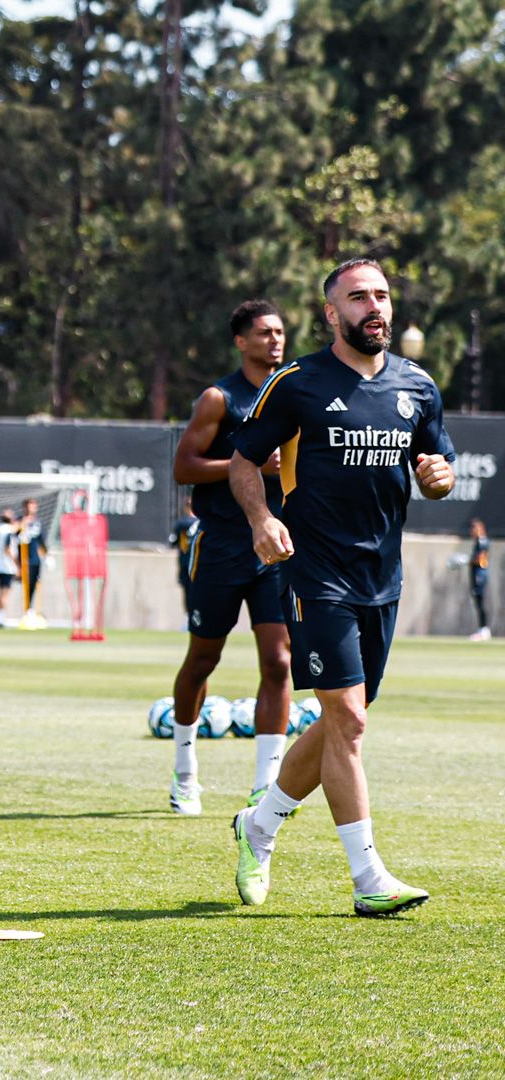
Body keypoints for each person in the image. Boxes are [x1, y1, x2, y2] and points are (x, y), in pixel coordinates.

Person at [230, 257, 455, 917]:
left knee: (340, 724)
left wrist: (440, 478)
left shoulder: (417, 385)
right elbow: (244, 460)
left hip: (382, 578)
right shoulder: (297, 382)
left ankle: (259, 825)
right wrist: (261, 517)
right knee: (348, 721)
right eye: (358, 297)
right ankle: (368, 878)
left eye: (381, 295)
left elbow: (436, 466)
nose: (373, 307)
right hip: (315, 572)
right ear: (332, 313)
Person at [165, 299, 294, 816]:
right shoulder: (220, 398)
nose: (275, 340)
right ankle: (184, 772)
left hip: (276, 545)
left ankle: (266, 786)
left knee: (280, 661)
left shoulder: (295, 393)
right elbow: (184, 468)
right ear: (241, 341)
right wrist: (248, 465)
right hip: (220, 544)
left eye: (280, 332)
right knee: (203, 660)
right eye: (264, 333)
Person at [17, 498, 48, 628]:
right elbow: (13, 534)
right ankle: (26, 610)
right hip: (24, 559)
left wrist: (47, 556)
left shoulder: (38, 523)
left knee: (35, 584)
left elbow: (42, 541)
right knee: (26, 584)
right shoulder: (20, 521)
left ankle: (32, 610)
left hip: (36, 559)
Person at [169, 498, 199, 620]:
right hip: (201, 563)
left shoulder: (181, 524)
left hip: (186, 563)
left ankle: (190, 617)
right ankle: (196, 617)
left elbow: (172, 542)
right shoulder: (204, 523)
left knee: (188, 593)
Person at [0, 509, 18, 627]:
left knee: (1, 592)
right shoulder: (8, 530)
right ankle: (1, 619)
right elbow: (7, 548)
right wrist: (17, 564)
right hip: (7, 566)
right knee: (4, 593)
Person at [469, 519, 490, 641]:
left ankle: (484, 630)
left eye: (473, 528)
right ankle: (482, 629)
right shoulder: (477, 542)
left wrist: (466, 560)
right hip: (476, 574)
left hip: (480, 574)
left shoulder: (483, 542)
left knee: (480, 602)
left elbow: (480, 559)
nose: (472, 531)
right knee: (478, 602)